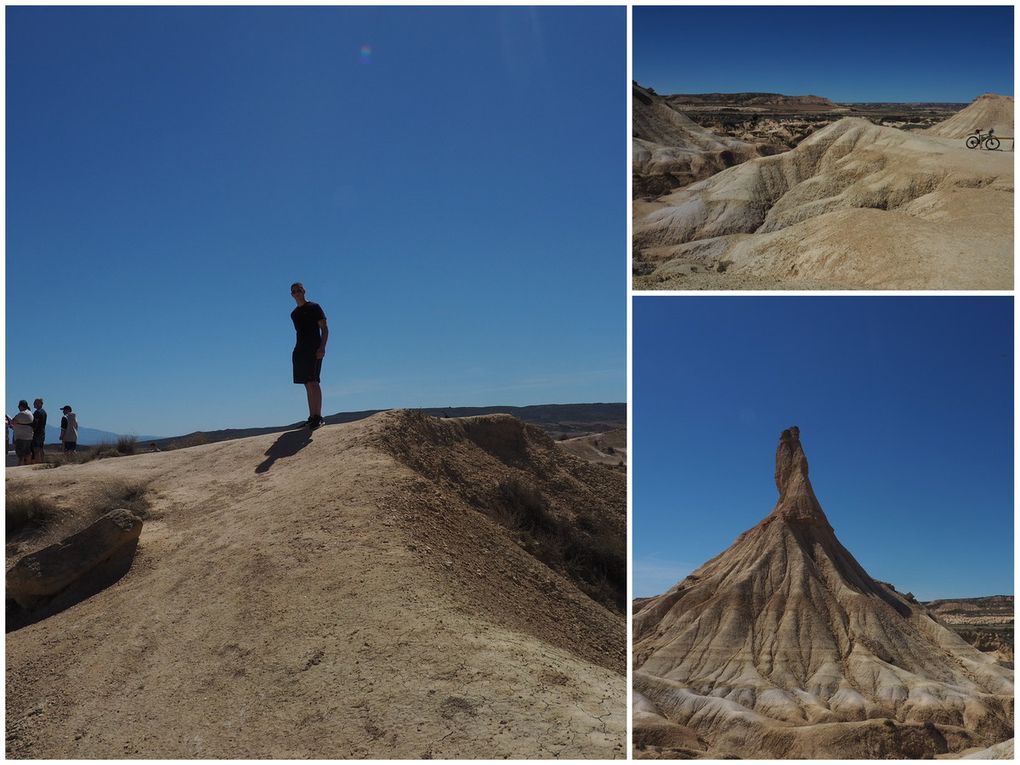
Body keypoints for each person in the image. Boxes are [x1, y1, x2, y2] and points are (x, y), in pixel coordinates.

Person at [290, 282, 329, 430]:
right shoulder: (294, 314)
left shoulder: (314, 307)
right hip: (300, 350)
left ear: (304, 291)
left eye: (299, 290)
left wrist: (322, 347)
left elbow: (324, 329)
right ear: (291, 295)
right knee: (307, 384)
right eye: (294, 291)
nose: (297, 293)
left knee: (314, 381)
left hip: (314, 349)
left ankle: (318, 417)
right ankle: (312, 417)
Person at [7, 401, 34, 466]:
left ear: (21, 406)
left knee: (20, 455)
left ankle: (20, 466)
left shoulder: (21, 414)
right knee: (27, 453)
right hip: (29, 436)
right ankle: (27, 466)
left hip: (20, 436)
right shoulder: (30, 413)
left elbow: (13, 422)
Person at [31, 398, 47, 464]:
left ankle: (37, 462)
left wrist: (32, 429)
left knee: (36, 449)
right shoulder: (44, 412)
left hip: (37, 432)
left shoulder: (37, 412)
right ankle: (42, 461)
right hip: (42, 431)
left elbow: (35, 423)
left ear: (39, 403)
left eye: (35, 403)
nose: (34, 404)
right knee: (41, 448)